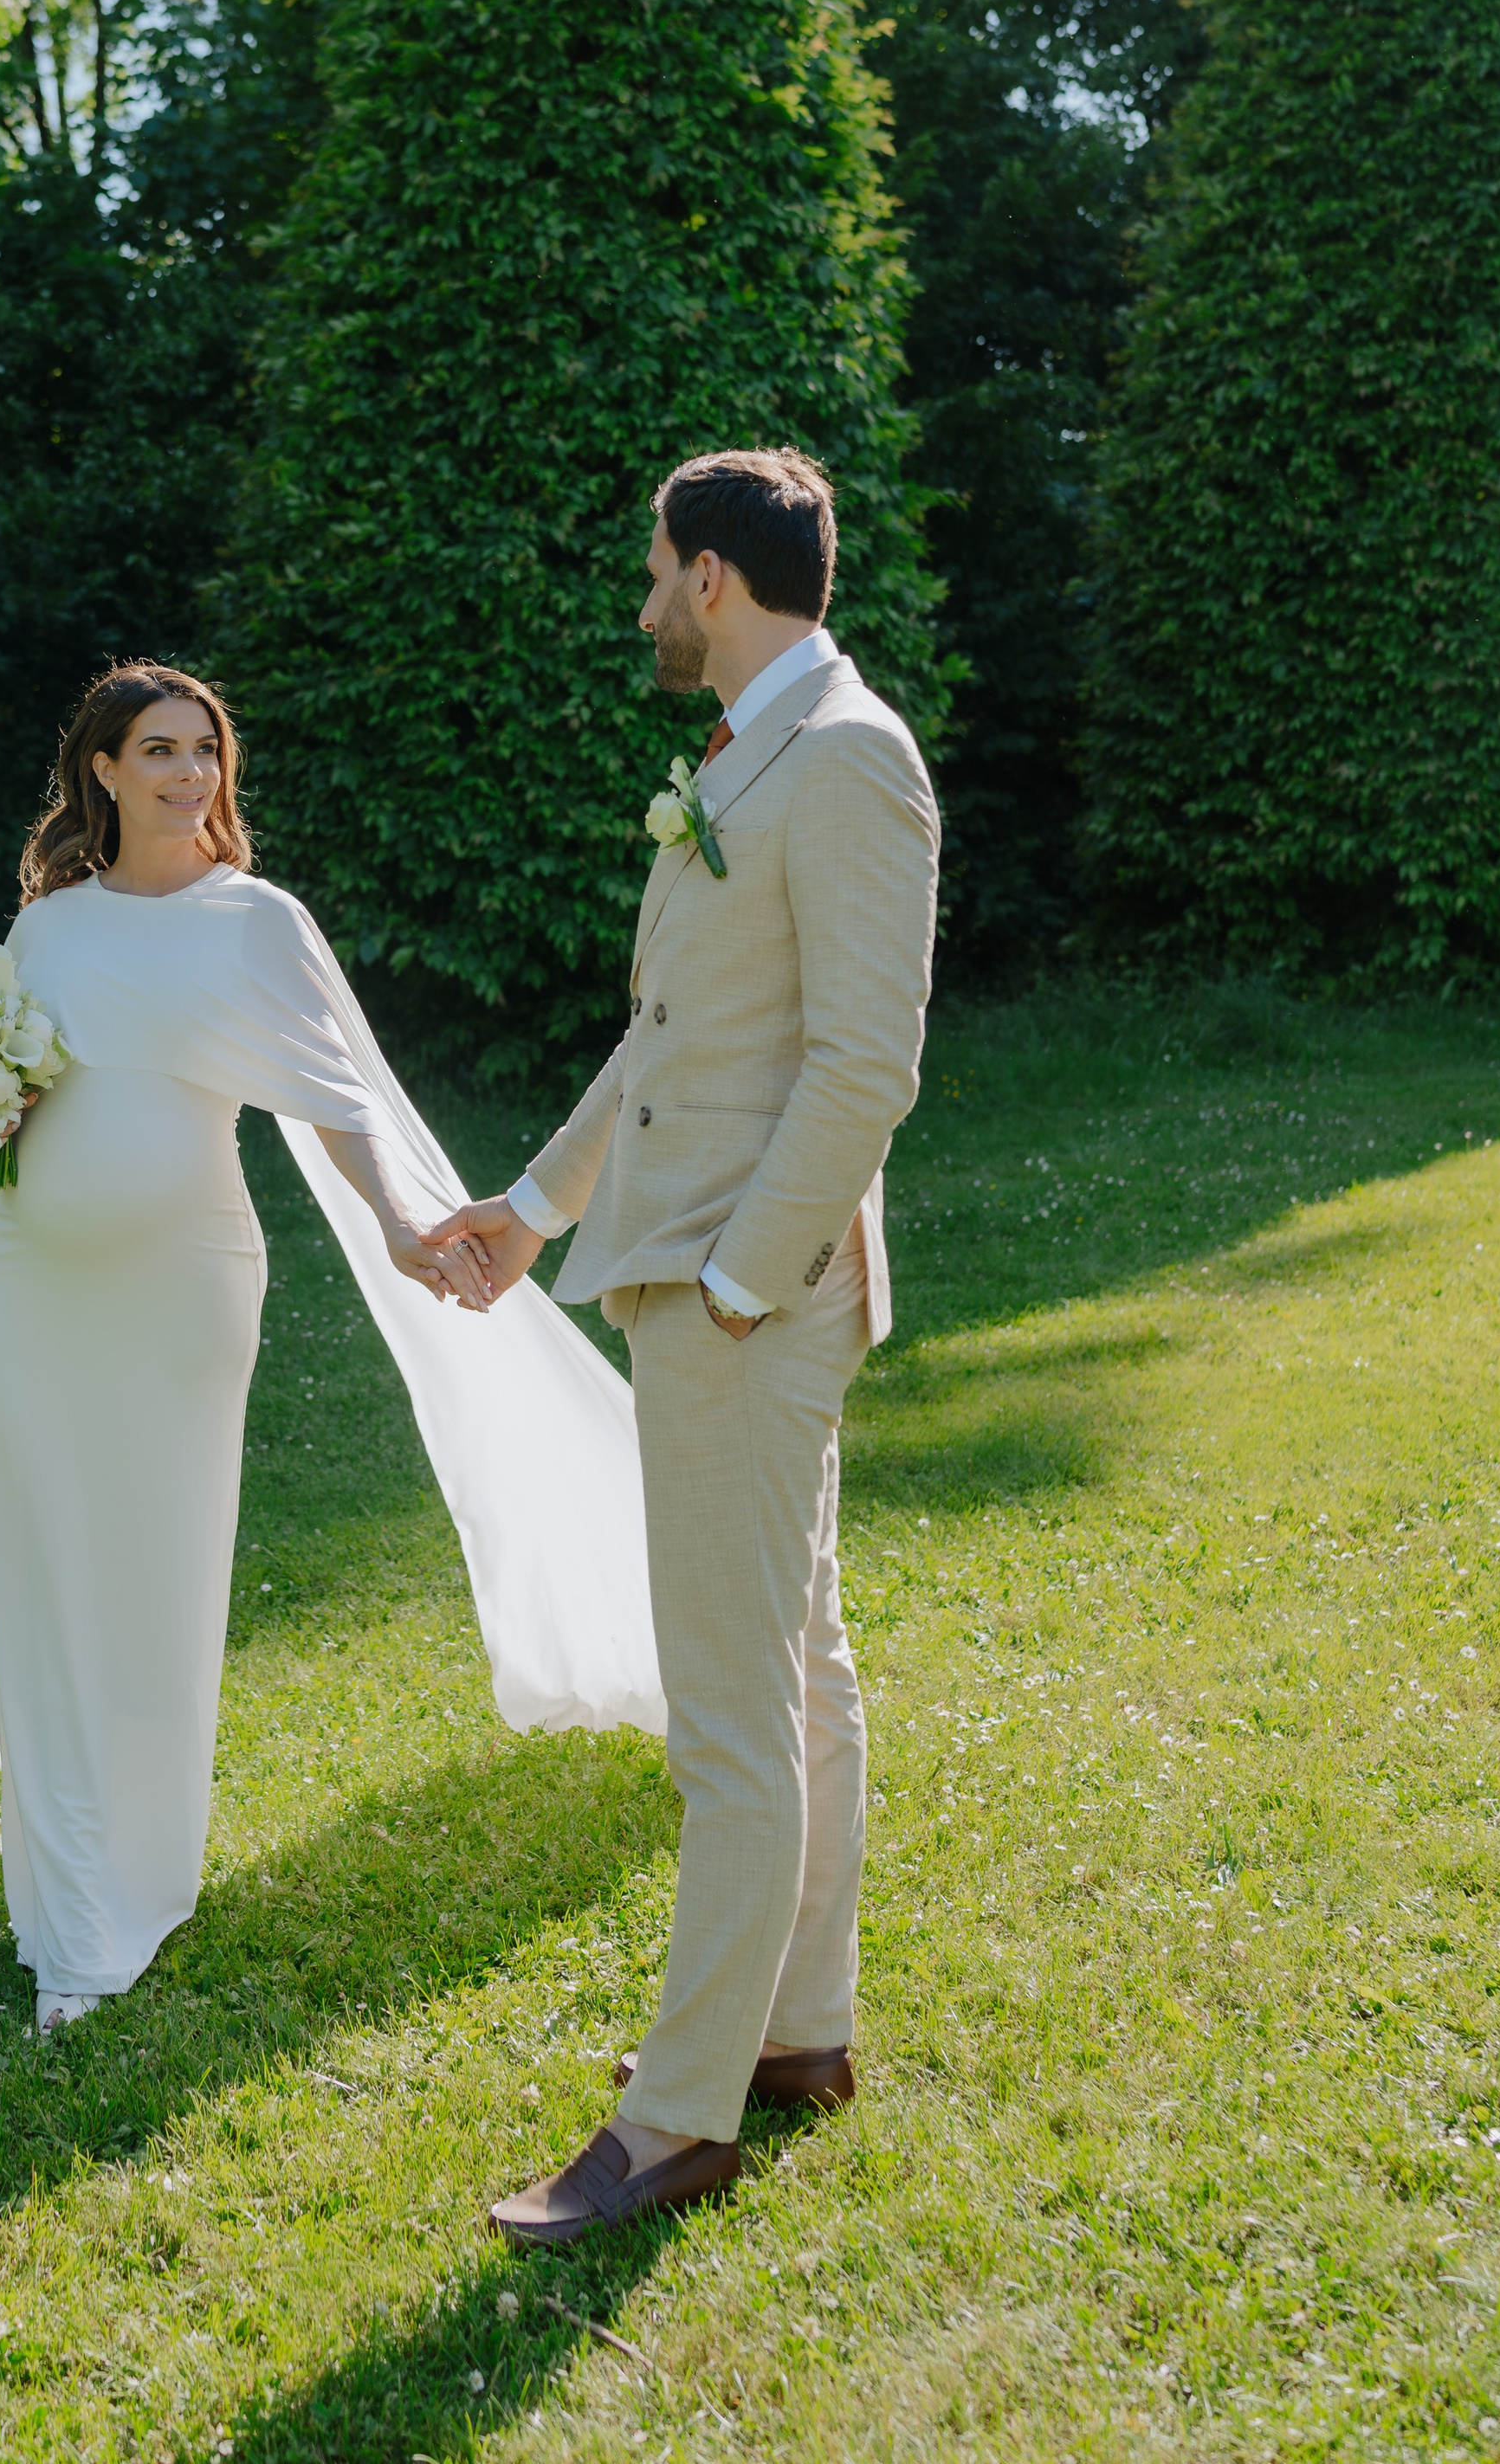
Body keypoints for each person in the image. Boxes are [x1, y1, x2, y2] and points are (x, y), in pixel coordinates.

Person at [0, 661, 664, 2035]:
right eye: (156, 752)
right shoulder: (46, 932)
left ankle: (122, 1898)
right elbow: (20, 1094)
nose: (184, 777)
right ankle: (56, 1881)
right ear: (100, 771)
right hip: (28, 1285)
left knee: (148, 1572)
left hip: (179, 1301)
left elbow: (342, 1098)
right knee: (50, 1564)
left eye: (202, 753)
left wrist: (404, 1221)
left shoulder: (256, 923)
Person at [430, 448, 940, 2247]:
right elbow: (673, 1038)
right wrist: (529, 1208)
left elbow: (864, 1062)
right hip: (701, 1273)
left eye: (657, 570)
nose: (645, 601)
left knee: (727, 1715)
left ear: (714, 577)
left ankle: (672, 2122)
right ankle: (799, 2034)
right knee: (795, 1672)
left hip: (747, 1302)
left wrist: (736, 1283)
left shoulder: (851, 759)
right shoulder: (752, 754)